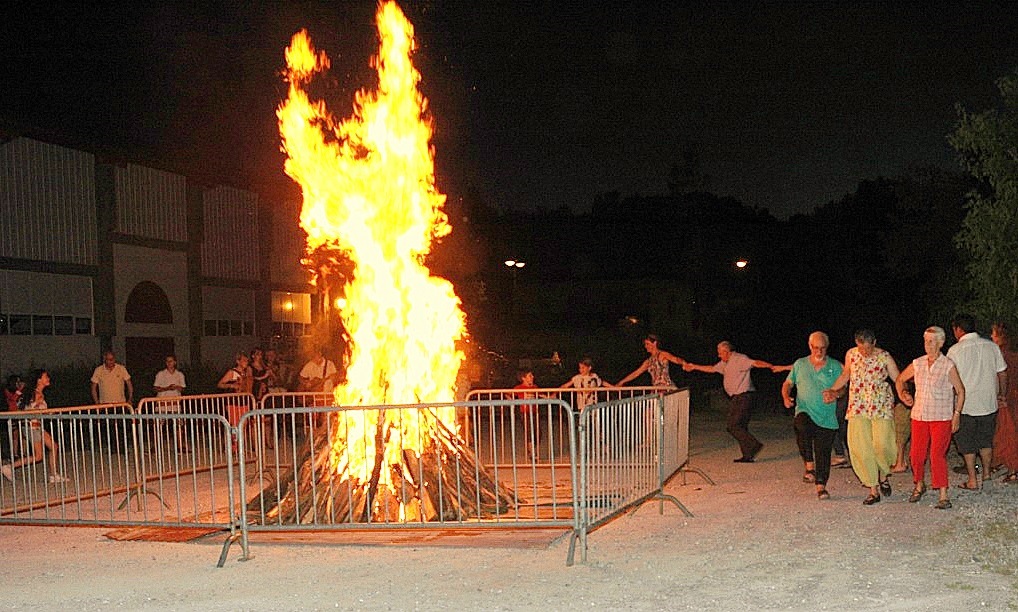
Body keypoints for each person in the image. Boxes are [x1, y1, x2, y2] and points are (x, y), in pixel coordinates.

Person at [823, 329, 901, 505]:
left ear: (874, 342)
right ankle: (873, 489)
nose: (864, 352)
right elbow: (846, 375)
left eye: (867, 348)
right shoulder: (851, 354)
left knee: (882, 444)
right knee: (861, 447)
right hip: (858, 406)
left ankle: (883, 475)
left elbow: (898, 378)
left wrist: (904, 393)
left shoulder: (884, 356)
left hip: (881, 406)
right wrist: (833, 390)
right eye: (861, 348)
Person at [896, 326, 965, 510]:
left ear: (941, 343)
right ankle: (919, 484)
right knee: (916, 455)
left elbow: (960, 390)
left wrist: (956, 415)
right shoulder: (918, 363)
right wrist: (903, 394)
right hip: (919, 415)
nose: (928, 345)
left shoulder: (947, 365)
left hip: (941, 416)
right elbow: (900, 379)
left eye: (932, 341)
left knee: (937, 455)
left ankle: (943, 494)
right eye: (926, 341)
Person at [684, 341, 775, 463]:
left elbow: (755, 363)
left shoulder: (739, 359)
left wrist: (770, 366)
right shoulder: (725, 363)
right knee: (740, 425)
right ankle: (747, 455)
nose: (719, 356)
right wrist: (694, 366)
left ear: (727, 352)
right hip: (738, 397)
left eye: (720, 353)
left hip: (744, 396)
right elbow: (712, 368)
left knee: (733, 426)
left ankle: (754, 444)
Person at [779, 331, 843, 500]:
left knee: (823, 452)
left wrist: (835, 393)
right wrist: (786, 396)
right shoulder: (800, 364)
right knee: (801, 426)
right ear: (810, 346)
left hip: (827, 417)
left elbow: (844, 387)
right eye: (815, 348)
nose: (819, 352)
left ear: (827, 347)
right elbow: (788, 383)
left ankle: (821, 486)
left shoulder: (835, 366)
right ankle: (809, 464)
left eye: (822, 348)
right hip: (804, 410)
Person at [947, 314, 1007, 490]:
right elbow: (1002, 373)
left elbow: (951, 380)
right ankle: (987, 474)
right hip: (988, 401)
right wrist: (1002, 394)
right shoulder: (992, 347)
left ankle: (973, 479)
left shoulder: (955, 351)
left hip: (966, 405)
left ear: (958, 329)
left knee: (967, 443)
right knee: (985, 440)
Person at [1, 369, 69, 484]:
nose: (48, 379)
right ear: (39, 380)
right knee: (38, 456)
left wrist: (50, 412)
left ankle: (53, 475)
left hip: (37, 426)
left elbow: (36, 409)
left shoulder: (37, 393)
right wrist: (36, 406)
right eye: (45, 377)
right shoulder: (36, 394)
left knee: (54, 446)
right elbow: (28, 410)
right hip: (31, 426)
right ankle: (9, 466)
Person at [990, 322, 1018, 483]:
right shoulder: (1011, 353)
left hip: (1008, 399)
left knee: (1008, 434)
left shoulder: (1003, 354)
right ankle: (1002, 463)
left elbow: (1004, 377)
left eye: (994, 334)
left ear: (1001, 336)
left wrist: (1001, 395)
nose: (992, 337)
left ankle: (1013, 469)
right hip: (1011, 397)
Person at [616, 334, 686, 387]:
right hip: (656, 389)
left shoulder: (662, 354)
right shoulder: (648, 361)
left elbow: (675, 359)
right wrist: (622, 382)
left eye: (647, 344)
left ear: (654, 343)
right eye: (645, 344)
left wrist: (683, 363)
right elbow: (636, 373)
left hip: (666, 388)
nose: (646, 346)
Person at [514, 369, 541, 459]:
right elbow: (507, 393)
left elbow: (542, 395)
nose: (532, 377)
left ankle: (531, 450)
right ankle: (533, 453)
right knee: (530, 432)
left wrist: (551, 396)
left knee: (538, 432)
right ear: (523, 378)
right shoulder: (519, 388)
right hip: (524, 413)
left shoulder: (534, 387)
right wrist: (512, 401)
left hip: (534, 412)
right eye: (530, 376)